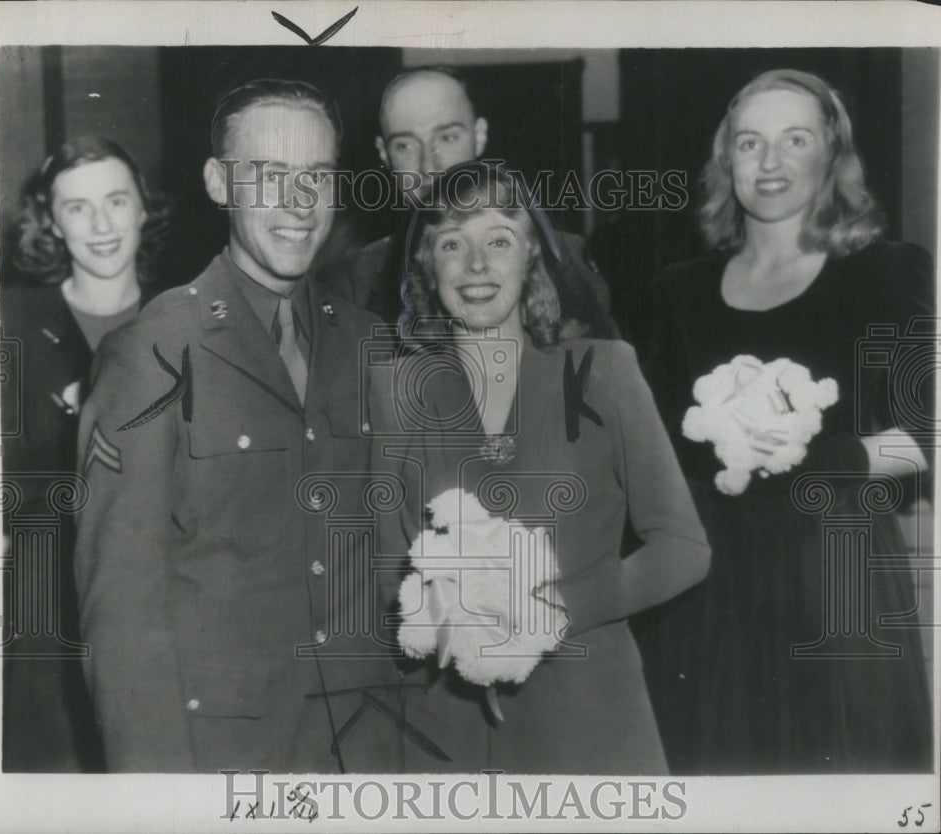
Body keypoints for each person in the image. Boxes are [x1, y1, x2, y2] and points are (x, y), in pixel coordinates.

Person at [73, 80, 405, 772]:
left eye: (316, 176)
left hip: (365, 757)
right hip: (227, 764)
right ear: (218, 182)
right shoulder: (152, 353)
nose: (298, 203)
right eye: (270, 176)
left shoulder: (368, 343)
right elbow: (124, 622)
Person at [638, 69, 934, 774]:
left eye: (793, 140)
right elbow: (655, 459)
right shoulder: (676, 292)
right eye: (750, 143)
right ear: (725, 161)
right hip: (713, 590)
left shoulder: (889, 274)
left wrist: (824, 458)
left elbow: (927, 439)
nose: (769, 163)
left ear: (831, 156)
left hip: (837, 573)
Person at [381, 162, 710, 773]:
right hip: (447, 735)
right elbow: (381, 568)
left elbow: (683, 547)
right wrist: (440, 616)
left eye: (498, 240)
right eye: (452, 243)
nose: (477, 265)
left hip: (591, 721)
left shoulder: (603, 371)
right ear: (426, 264)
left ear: (532, 254)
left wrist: (544, 614)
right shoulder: (396, 395)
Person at [1, 136, 171, 771]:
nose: (101, 226)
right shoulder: (8, 323)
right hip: (43, 609)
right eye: (77, 208)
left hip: (160, 605)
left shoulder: (185, 319)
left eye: (116, 200)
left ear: (144, 209)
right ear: (50, 220)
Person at [319, 67, 619, 338]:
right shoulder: (355, 279)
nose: (429, 165)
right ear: (384, 154)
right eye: (405, 145)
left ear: (479, 136)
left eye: (447, 138)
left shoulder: (561, 259)